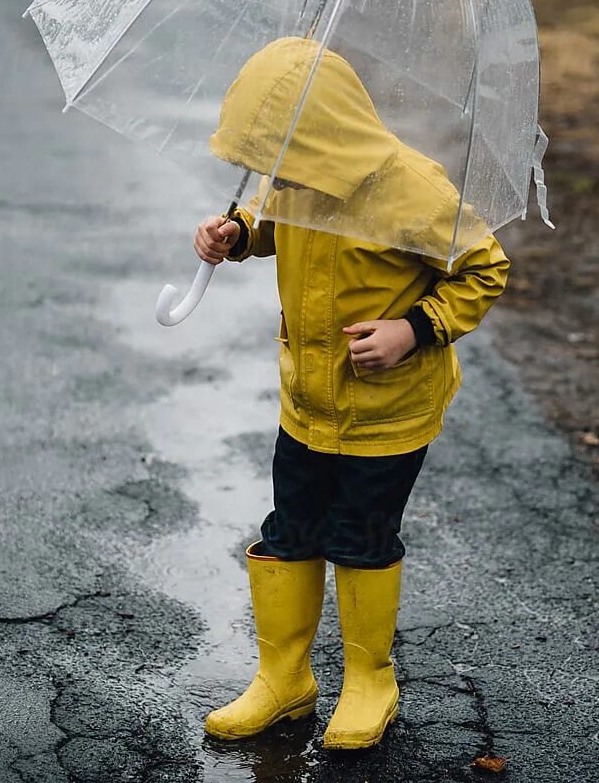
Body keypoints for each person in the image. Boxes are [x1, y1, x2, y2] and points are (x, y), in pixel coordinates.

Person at [193, 37, 511, 750]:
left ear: (322, 133)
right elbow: (271, 218)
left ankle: (372, 678)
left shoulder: (414, 190)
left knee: (361, 540)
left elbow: (484, 269)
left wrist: (414, 328)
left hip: (385, 412)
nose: (279, 171)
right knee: (289, 533)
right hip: (306, 402)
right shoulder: (299, 176)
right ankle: (285, 678)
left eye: (285, 153)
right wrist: (237, 233)